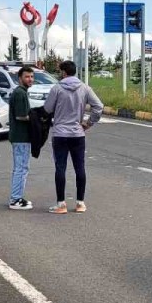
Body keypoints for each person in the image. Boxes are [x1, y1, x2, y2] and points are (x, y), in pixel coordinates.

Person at [42, 60, 103, 214]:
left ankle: (61, 204)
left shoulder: (57, 88)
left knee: (60, 168)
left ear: (64, 72)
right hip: (77, 133)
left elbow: (48, 108)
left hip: (60, 133)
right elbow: (98, 107)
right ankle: (80, 203)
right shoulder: (84, 88)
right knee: (80, 167)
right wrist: (89, 123)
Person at [7, 66, 35, 210]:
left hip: (20, 137)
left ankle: (16, 196)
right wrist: (36, 118)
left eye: (31, 76)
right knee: (21, 168)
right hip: (21, 137)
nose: (30, 79)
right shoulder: (20, 93)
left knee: (20, 167)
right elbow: (21, 116)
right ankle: (15, 199)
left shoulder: (21, 92)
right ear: (20, 78)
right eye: (27, 77)